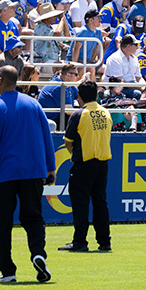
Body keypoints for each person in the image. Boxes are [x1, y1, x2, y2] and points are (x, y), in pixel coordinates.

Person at [0, 65, 56, 284]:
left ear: (0, 80)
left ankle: (8, 271)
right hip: (33, 172)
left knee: (2, 223)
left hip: (5, 174)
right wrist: (51, 168)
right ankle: (38, 253)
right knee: (34, 217)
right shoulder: (34, 104)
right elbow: (47, 137)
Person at [59, 79, 112, 253]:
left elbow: (68, 141)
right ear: (96, 94)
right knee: (100, 202)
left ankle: (80, 241)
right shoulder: (106, 113)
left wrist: (75, 155)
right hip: (102, 164)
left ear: (79, 97)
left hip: (84, 163)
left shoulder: (79, 114)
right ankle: (105, 241)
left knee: (80, 203)